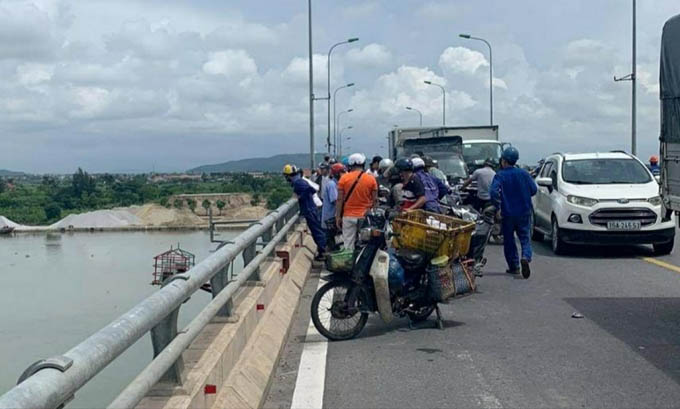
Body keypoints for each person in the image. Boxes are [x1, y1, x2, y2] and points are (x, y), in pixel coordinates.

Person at [490, 147, 537, 279]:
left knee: (509, 241)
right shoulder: (524, 174)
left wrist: (498, 206)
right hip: (524, 212)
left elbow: (493, 192)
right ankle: (526, 257)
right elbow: (533, 189)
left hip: (508, 213)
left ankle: (514, 267)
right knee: (525, 238)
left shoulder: (500, 175)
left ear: (503, 161)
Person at [336, 153, 378, 250]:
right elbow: (375, 200)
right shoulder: (371, 179)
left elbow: (339, 200)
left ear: (350, 165)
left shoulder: (344, 179)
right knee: (367, 245)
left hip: (348, 216)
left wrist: (338, 217)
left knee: (348, 244)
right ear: (363, 164)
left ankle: (349, 263)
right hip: (365, 217)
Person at [284, 164, 326, 260]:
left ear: (289, 176)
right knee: (317, 230)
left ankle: (323, 252)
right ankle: (322, 251)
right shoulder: (299, 181)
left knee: (317, 231)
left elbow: (311, 189)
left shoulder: (298, 183)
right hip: (310, 209)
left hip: (310, 210)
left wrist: (300, 197)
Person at [322, 163, 346, 251]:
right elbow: (336, 201)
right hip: (331, 219)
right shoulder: (332, 185)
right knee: (332, 242)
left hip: (333, 217)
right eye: (342, 172)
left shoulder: (338, 184)